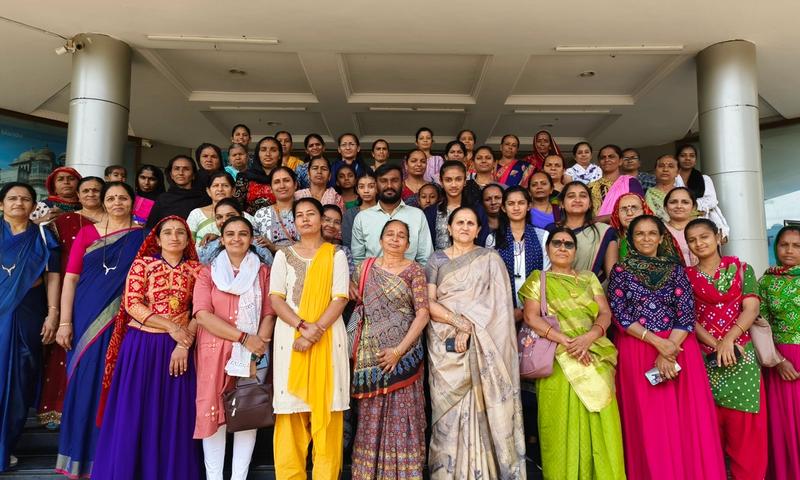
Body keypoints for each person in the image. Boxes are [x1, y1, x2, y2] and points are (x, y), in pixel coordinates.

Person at [608, 215, 725, 480]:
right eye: (640, 234)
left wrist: (669, 347)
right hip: (638, 347)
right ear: (630, 239)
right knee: (650, 423)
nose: (646, 238)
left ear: (662, 238)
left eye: (652, 233)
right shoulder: (620, 271)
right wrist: (658, 343)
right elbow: (620, 314)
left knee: (686, 421)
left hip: (680, 347)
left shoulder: (676, 270)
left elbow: (685, 313)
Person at [92, 216, 203, 479]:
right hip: (143, 346)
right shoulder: (144, 265)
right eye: (168, 232)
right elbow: (132, 303)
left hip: (179, 348)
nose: (174, 237)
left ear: (188, 240)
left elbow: (201, 309)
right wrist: (171, 327)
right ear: (157, 239)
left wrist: (184, 342)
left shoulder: (198, 270)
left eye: (180, 233)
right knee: (136, 411)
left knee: (175, 414)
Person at [425, 206, 526, 479]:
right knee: (446, 415)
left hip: (485, 345)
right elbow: (428, 304)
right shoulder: (436, 259)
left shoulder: (490, 259)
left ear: (479, 230)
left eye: (471, 223)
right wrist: (460, 324)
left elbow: (499, 308)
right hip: (445, 348)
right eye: (460, 222)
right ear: (449, 227)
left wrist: (471, 330)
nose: (465, 227)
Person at [55, 182, 146, 478]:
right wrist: (64, 322)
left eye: (123, 197)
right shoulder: (87, 233)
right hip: (84, 316)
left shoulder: (143, 236)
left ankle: (112, 459)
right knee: (84, 381)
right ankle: (77, 457)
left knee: (118, 384)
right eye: (111, 198)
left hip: (125, 321)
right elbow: (69, 279)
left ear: (132, 202)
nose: (117, 202)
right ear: (103, 203)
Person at [519, 227, 625, 479]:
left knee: (602, 419)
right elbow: (531, 317)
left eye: (568, 244)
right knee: (559, 424)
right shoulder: (538, 279)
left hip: (595, 354)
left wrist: (588, 338)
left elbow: (605, 313)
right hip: (557, 358)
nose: (563, 248)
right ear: (548, 248)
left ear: (576, 251)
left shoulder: (589, 279)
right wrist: (566, 342)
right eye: (557, 243)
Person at [269, 197, 351, 480]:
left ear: (321, 219)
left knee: (327, 418)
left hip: (328, 339)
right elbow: (276, 299)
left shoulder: (336, 255)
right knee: (291, 416)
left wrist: (314, 332)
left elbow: (340, 297)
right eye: (299, 215)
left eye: (311, 214)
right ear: (294, 221)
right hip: (290, 339)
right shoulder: (283, 255)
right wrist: (303, 326)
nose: (305, 219)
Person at [193, 216, 276, 480]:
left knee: (247, 411)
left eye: (243, 234)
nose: (236, 239)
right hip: (213, 352)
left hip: (252, 351)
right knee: (212, 414)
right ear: (222, 238)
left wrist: (258, 346)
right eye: (230, 234)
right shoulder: (208, 272)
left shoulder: (262, 272)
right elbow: (203, 315)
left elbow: (269, 313)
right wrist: (243, 338)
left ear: (251, 239)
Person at [684, 218, 767, 479]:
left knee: (746, 433)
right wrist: (716, 344)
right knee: (708, 431)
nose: (699, 243)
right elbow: (689, 317)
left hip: (741, 357)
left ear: (718, 237)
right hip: (703, 360)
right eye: (692, 240)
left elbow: (751, 308)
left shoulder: (742, 268)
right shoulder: (685, 277)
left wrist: (730, 339)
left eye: (704, 237)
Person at [350, 220, 429, 480]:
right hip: (370, 359)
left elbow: (423, 314)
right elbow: (352, 300)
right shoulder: (364, 268)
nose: (395, 239)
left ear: (408, 243)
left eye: (401, 236)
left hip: (405, 357)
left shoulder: (414, 270)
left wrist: (398, 351)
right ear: (381, 239)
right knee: (370, 419)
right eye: (390, 234)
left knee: (404, 417)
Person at [0, 183, 60, 471]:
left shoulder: (42, 236)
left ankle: (5, 447)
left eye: (25, 198)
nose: (18, 202)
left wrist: (53, 314)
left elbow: (53, 278)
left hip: (28, 315)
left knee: (19, 383)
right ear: (1, 204)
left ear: (33, 204)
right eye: (12, 198)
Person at [39, 177, 105, 428]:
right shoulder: (63, 221)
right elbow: (55, 267)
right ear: (77, 194)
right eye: (85, 190)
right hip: (72, 292)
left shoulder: (119, 225)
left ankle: (94, 411)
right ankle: (59, 410)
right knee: (66, 347)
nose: (90, 194)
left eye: (96, 190)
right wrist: (55, 311)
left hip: (104, 296)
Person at [758, 225, 800, 479]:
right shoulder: (766, 281)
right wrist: (778, 360)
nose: (789, 251)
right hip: (780, 361)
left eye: (796, 246)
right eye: (784, 245)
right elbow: (759, 324)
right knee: (785, 426)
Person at [352, 164, 433, 265]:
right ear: (376, 186)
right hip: (371, 279)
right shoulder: (362, 218)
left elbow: (425, 260)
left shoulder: (417, 215)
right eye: (383, 181)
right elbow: (358, 261)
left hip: (409, 279)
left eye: (394, 180)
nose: (389, 186)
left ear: (403, 185)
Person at [550, 181, 618, 283]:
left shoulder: (604, 232)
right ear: (562, 204)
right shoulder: (551, 230)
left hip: (592, 293)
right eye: (571, 196)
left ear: (590, 204)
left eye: (583, 196)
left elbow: (612, 276)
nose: (577, 200)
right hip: (556, 291)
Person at [675, 144, 729, 239]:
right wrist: (697, 209)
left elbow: (712, 201)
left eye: (692, 156)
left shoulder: (704, 179)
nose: (687, 158)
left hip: (705, 223)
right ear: (677, 158)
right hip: (680, 225)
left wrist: (691, 206)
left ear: (695, 160)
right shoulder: (673, 179)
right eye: (683, 155)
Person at [424, 161, 481, 250]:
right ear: (441, 181)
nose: (453, 185)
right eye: (448, 180)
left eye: (458, 179)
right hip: (438, 263)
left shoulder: (477, 211)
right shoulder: (431, 212)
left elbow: (481, 243)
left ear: (465, 181)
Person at [198, 198, 272, 265]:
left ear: (242, 215)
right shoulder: (209, 246)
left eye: (230, 216)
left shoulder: (259, 245)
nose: (224, 220)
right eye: (219, 217)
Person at [146, 155, 207, 229]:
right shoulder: (163, 199)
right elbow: (151, 228)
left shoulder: (204, 199)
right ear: (171, 175)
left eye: (186, 169)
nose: (180, 173)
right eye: (176, 169)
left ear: (193, 175)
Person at [587, 144, 644, 222]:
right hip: (596, 231)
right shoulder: (590, 187)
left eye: (611, 156)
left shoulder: (631, 182)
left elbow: (637, 210)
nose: (607, 159)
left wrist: (600, 219)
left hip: (624, 231)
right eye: (603, 157)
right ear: (599, 163)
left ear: (620, 161)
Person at [252, 166, 300, 253]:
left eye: (286, 180)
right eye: (277, 182)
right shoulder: (261, 214)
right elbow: (255, 245)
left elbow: (312, 244)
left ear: (295, 184)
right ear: (271, 188)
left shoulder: (306, 212)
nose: (282, 186)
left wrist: (275, 247)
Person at [187, 171, 239, 247]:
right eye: (215, 186)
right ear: (208, 191)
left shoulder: (243, 216)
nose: (220, 189)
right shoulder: (196, 214)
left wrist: (218, 239)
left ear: (233, 190)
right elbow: (188, 245)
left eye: (225, 185)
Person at [233, 136, 282, 215]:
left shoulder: (286, 177)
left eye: (273, 150)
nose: (268, 154)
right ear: (257, 154)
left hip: (282, 223)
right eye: (263, 150)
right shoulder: (245, 177)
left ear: (279, 155)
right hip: (251, 224)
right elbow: (237, 207)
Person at [609, 192, 655, 260]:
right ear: (617, 214)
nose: (629, 213)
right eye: (624, 209)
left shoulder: (658, 237)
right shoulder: (611, 240)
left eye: (634, 208)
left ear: (644, 211)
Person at [664, 187, 699, 266]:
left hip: (700, 276)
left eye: (685, 202)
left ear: (693, 207)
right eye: (673, 202)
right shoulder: (660, 230)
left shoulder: (702, 229)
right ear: (665, 207)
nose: (679, 206)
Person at [342, 173, 377, 248]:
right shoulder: (350, 214)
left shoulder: (384, 211)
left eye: (371, 186)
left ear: (377, 189)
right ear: (357, 190)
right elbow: (348, 243)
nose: (366, 191)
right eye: (361, 187)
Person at [645, 154, 680, 222]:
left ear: (677, 172)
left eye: (670, 166)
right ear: (655, 171)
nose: (665, 169)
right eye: (661, 166)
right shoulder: (649, 194)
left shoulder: (683, 194)